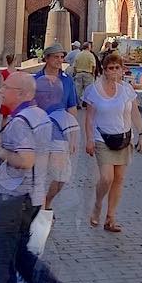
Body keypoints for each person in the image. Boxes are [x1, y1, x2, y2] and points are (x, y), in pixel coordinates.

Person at [0, 70, 80, 283]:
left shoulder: (21, 121)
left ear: (23, 93)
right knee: (20, 257)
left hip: (14, 199)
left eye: (7, 88)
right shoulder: (39, 116)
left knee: (3, 262)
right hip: (33, 197)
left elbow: (25, 160)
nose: (1, 91)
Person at [82, 51, 142, 232]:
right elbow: (89, 118)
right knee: (106, 177)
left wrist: (141, 134)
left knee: (119, 178)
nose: (114, 71)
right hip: (102, 137)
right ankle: (98, 204)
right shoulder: (94, 90)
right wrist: (89, 140)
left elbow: (134, 113)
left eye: (117, 68)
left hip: (124, 138)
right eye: (111, 68)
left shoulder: (127, 90)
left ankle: (110, 217)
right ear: (104, 70)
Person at [32, 43, 79, 211]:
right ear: (47, 58)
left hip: (60, 135)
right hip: (39, 134)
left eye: (62, 57)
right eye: (56, 57)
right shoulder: (35, 80)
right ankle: (37, 208)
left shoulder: (67, 81)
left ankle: (47, 201)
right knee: (38, 175)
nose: (60, 60)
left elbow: (72, 108)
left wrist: (73, 136)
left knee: (62, 176)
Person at [0, 53, 16, 122]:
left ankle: (3, 131)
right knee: (15, 117)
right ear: (14, 61)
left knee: (4, 117)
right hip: (15, 97)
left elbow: (0, 86)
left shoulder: (4, 73)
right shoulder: (17, 73)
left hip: (6, 97)